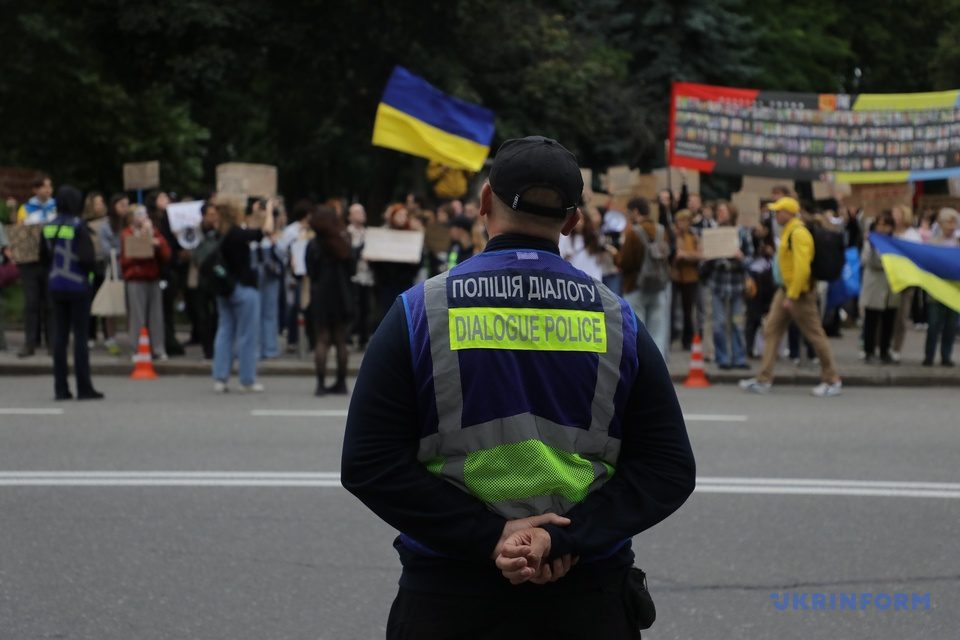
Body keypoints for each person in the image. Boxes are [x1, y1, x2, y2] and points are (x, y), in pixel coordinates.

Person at [342, 136, 695, 639]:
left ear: (485, 202)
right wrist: (562, 539)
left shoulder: (420, 312)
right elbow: (668, 468)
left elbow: (368, 462)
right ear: (573, 222)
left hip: (449, 596)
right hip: (586, 597)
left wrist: (491, 536)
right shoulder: (619, 321)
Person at [740, 197, 842, 396]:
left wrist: (793, 295)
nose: (776, 215)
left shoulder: (798, 233)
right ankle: (764, 378)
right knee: (771, 330)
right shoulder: (789, 230)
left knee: (815, 335)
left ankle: (832, 380)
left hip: (799, 293)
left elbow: (802, 268)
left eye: (779, 211)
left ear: (789, 213)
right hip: (787, 290)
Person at [39, 185, 103, 400]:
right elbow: (87, 259)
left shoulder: (48, 226)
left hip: (56, 287)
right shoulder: (78, 226)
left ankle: (61, 388)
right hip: (78, 287)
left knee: (59, 339)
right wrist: (90, 276)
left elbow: (43, 258)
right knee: (80, 339)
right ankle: (84, 388)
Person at [212, 202, 272, 393]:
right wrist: (269, 210)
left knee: (225, 331)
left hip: (224, 287)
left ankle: (220, 377)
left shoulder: (219, 234)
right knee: (247, 335)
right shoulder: (237, 233)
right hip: (244, 287)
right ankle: (247, 378)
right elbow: (265, 231)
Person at [306, 205, 354, 396]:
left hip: (322, 294)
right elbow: (351, 268)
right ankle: (341, 382)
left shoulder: (314, 245)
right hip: (342, 294)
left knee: (322, 339)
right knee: (341, 339)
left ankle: (320, 384)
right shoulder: (342, 243)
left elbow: (311, 271)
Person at [619, 197, 672, 358]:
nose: (628, 216)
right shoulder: (662, 231)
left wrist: (616, 256)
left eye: (629, 212)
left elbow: (625, 262)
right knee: (658, 333)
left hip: (636, 286)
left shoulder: (633, 233)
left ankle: (640, 371)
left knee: (637, 333)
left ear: (635, 211)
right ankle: (658, 370)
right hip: (658, 286)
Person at [702, 201, 752, 369]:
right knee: (718, 324)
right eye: (718, 211)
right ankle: (722, 357)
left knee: (738, 323)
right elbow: (703, 264)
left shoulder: (742, 233)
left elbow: (751, 260)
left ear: (731, 213)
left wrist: (741, 258)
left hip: (737, 286)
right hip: (718, 285)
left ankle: (739, 358)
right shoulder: (712, 234)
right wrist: (707, 258)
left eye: (722, 211)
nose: (719, 213)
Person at [15, 174, 57, 358]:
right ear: (35, 190)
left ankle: (53, 344)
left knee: (50, 304)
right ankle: (29, 343)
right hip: (30, 261)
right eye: (44, 187)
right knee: (31, 304)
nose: (48, 190)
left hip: (51, 260)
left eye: (50, 186)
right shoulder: (25, 209)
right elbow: (20, 232)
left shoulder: (56, 207)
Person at [121, 207, 171, 359]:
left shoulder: (154, 232)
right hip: (135, 278)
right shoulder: (127, 234)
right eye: (139, 215)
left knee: (156, 316)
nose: (142, 218)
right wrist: (140, 241)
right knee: (137, 316)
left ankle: (158, 348)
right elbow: (125, 258)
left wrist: (156, 242)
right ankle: (136, 348)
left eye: (144, 215)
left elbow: (166, 255)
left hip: (153, 277)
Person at [861, 212, 900, 364]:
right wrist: (871, 248)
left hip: (891, 287)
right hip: (875, 285)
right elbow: (867, 261)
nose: (882, 228)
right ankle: (869, 351)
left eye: (886, 225)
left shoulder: (895, 242)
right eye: (879, 224)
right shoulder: (870, 242)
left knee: (888, 321)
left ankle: (885, 351)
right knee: (871, 320)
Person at [923, 208, 959, 367]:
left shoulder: (958, 244)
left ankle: (946, 355)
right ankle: (929, 356)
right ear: (941, 224)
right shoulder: (933, 243)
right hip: (936, 291)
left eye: (954, 222)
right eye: (948, 222)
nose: (951, 226)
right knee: (934, 325)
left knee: (951, 326)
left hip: (954, 292)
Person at [345, 203, 374, 349]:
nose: (360, 215)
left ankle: (363, 338)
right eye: (356, 212)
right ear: (349, 216)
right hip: (353, 276)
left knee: (366, 308)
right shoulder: (346, 233)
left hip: (367, 276)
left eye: (362, 212)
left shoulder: (369, 233)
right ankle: (349, 337)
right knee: (352, 307)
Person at [672, 209, 701, 350]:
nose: (682, 224)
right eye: (679, 221)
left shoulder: (693, 237)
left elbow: (700, 254)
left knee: (688, 310)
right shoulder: (673, 236)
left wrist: (685, 255)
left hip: (690, 277)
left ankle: (687, 339)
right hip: (675, 276)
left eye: (685, 221)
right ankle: (672, 337)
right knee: (672, 309)